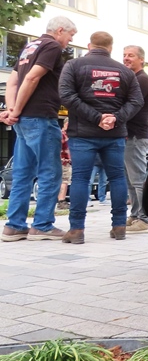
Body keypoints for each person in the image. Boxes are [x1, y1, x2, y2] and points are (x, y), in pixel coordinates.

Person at [59, 32, 144, 244]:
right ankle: (119, 226)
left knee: (80, 178)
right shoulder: (125, 71)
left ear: (89, 46)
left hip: (82, 134)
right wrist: (115, 118)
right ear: (111, 48)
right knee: (117, 178)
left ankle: (76, 229)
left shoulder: (73, 65)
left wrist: (96, 118)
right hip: (114, 134)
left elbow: (66, 95)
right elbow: (136, 101)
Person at [0, 16, 77, 242]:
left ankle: (14, 226)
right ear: (60, 30)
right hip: (41, 117)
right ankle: (42, 225)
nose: (71, 40)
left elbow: (13, 82)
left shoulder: (29, 47)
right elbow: (32, 78)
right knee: (50, 173)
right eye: (71, 35)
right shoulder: (52, 46)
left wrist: (12, 110)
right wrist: (16, 110)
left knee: (22, 173)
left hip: (23, 121)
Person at [123, 45, 148, 232]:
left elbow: (131, 105)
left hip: (135, 135)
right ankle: (135, 214)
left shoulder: (142, 80)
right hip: (129, 135)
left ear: (141, 59)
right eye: (124, 55)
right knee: (130, 179)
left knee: (137, 179)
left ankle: (144, 218)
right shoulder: (134, 78)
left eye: (131, 55)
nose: (126, 58)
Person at [57, 118, 71, 212]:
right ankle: (61, 201)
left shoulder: (66, 134)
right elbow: (57, 147)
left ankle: (61, 200)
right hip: (63, 161)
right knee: (64, 181)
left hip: (66, 161)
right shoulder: (62, 134)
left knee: (64, 181)